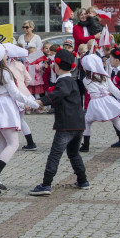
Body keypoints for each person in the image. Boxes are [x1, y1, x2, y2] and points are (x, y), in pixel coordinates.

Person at [0, 43, 40, 194]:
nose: (6, 54)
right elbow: (15, 94)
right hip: (5, 108)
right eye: (4, 52)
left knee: (3, 145)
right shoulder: (4, 71)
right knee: (13, 144)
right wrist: (34, 104)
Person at [28, 49, 88, 196]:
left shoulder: (64, 82)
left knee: (55, 154)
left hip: (66, 125)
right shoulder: (71, 81)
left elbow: (59, 94)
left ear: (57, 66)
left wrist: (41, 101)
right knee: (73, 153)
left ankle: (46, 184)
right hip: (78, 124)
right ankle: (83, 180)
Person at [80, 53, 120, 153]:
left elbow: (91, 90)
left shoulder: (85, 80)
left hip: (95, 103)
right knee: (119, 124)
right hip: (108, 101)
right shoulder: (105, 77)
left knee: (87, 122)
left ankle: (86, 145)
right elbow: (114, 90)